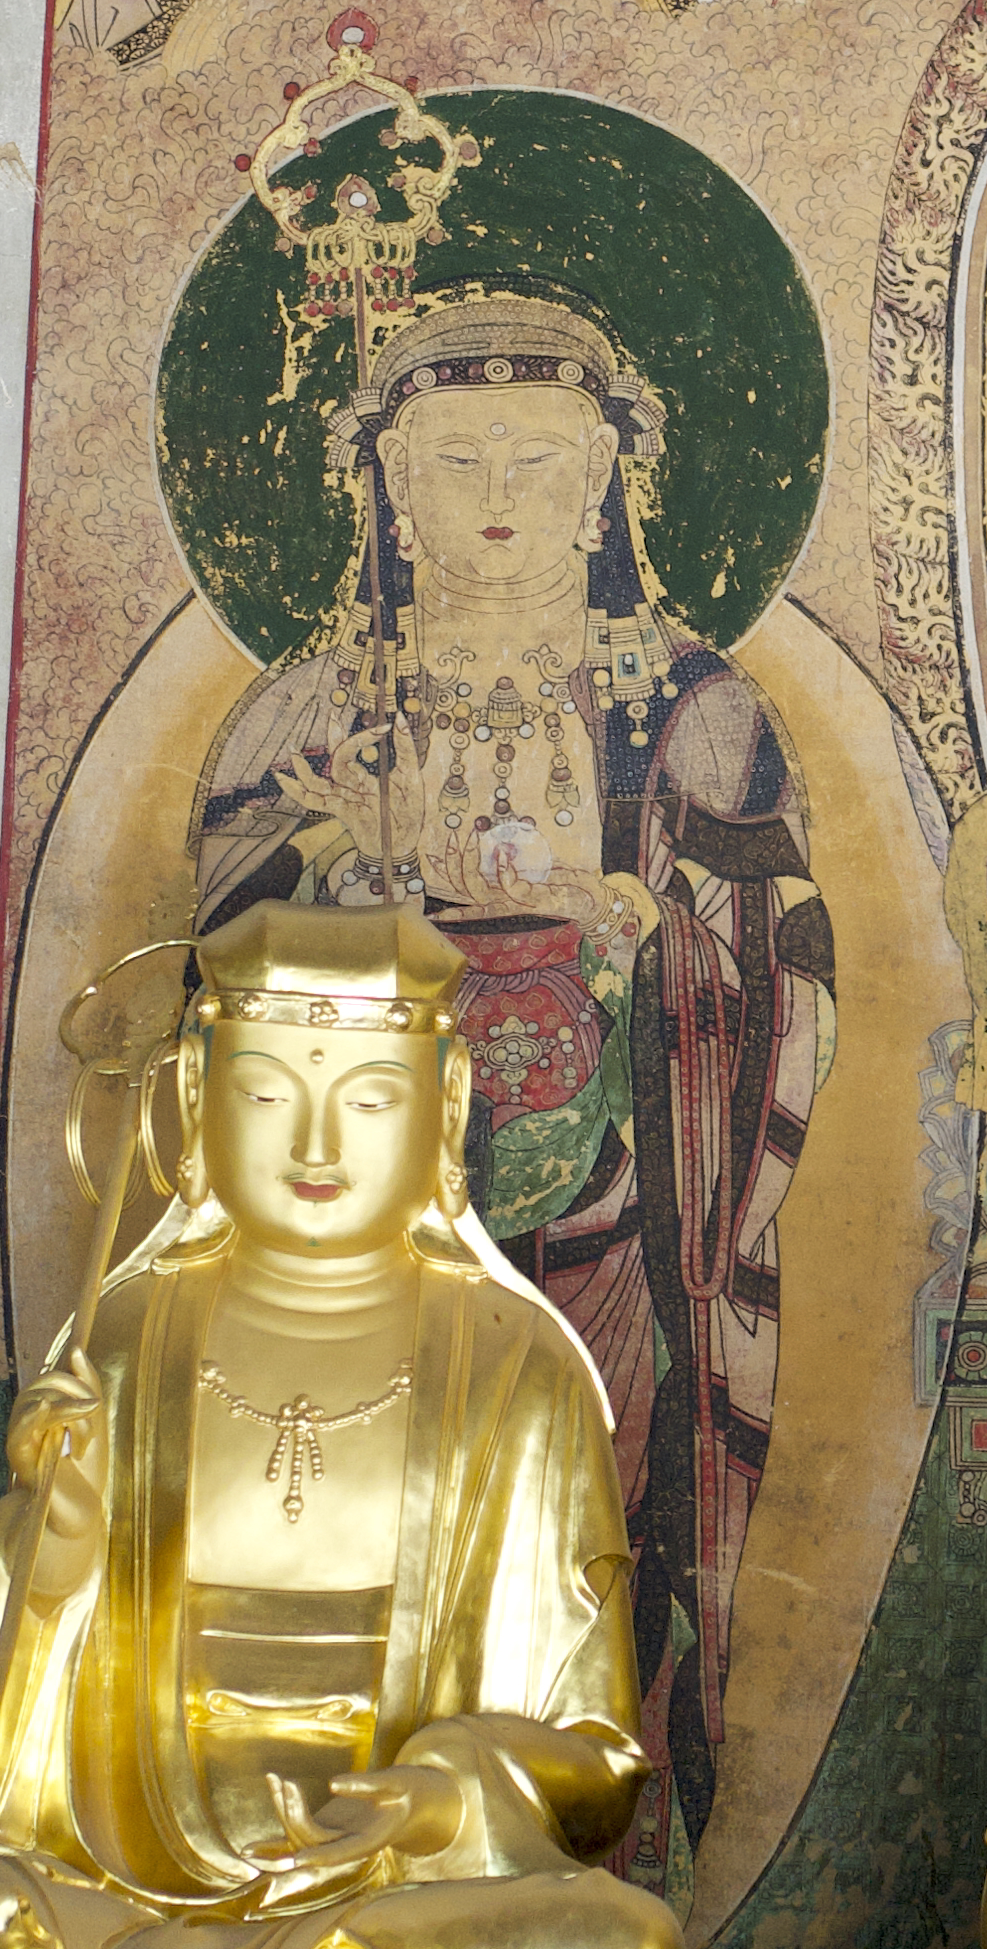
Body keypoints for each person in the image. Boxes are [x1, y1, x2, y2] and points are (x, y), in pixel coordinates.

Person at [188, 287, 836, 1893]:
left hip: (605, 1221)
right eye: (455, 458)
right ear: (389, 488)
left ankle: (572, 1868)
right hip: (367, 1242)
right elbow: (214, 996)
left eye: (537, 462)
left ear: (602, 483)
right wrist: (341, 884)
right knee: (375, 1559)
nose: (496, 495)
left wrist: (647, 935)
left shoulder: (688, 714)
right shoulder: (306, 714)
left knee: (584, 1550)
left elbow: (780, 968)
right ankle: (360, 1866)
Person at [0, 901, 682, 1948]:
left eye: (370, 1099)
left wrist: (440, 1799)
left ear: (446, 1104)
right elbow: (20, 1758)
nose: (315, 1143)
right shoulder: (118, 1348)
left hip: (390, 1899)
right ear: (195, 1093)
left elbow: (596, 1768)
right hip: (128, 1883)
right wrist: (56, 1550)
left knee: (612, 1932)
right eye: (266, 1093)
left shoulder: (518, 1369)